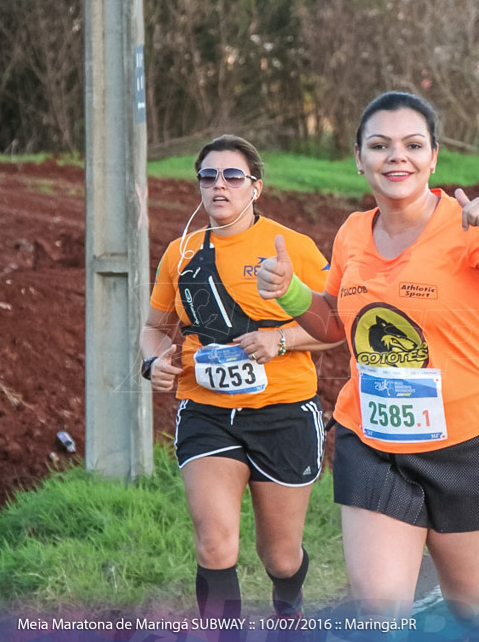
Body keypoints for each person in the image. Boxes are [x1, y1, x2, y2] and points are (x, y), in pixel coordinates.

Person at [255, 91, 479, 635]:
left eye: (412, 145)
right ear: (358, 158)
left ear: (434, 157)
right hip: (375, 440)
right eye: (379, 146)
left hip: (470, 444)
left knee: (473, 605)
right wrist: (290, 294)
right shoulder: (352, 233)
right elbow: (336, 326)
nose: (396, 157)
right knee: (381, 611)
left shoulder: (467, 227)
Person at [139, 135, 338, 622]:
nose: (219, 186)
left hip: (285, 412)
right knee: (214, 545)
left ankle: (289, 612)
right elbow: (153, 330)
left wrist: (281, 340)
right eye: (208, 176)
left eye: (232, 176)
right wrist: (156, 362)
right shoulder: (179, 254)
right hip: (207, 412)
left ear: (256, 187)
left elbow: (336, 329)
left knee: (280, 557)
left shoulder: (294, 246)